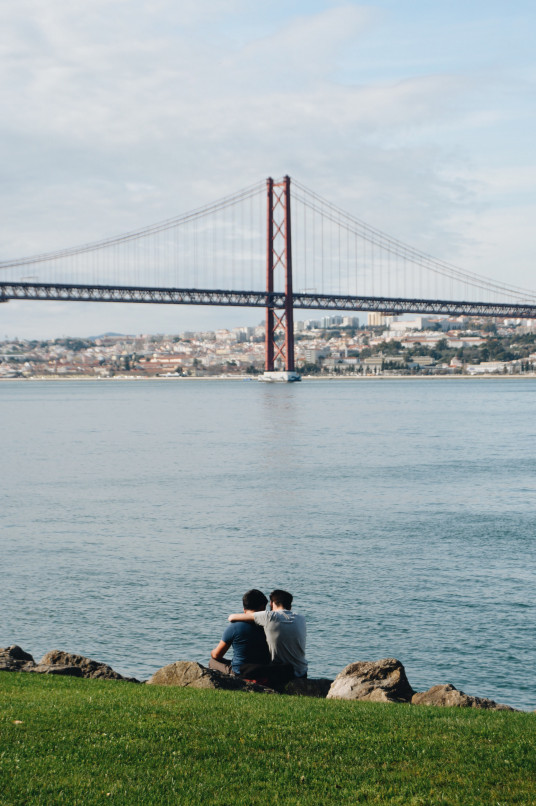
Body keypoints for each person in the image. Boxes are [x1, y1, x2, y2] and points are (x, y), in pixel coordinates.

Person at [228, 589, 307, 680]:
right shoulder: (301, 618)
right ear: (290, 605)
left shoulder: (269, 616)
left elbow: (232, 617)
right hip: (302, 672)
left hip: (282, 673)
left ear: (272, 603)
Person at [209, 589, 270, 677]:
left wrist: (212, 652)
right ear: (262, 607)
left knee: (212, 661)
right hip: (264, 671)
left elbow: (216, 655)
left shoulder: (234, 627)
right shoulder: (271, 625)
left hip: (240, 672)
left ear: (244, 609)